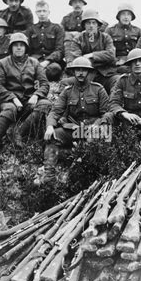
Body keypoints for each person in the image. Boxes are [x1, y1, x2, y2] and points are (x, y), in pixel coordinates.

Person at [34, 57, 110, 185]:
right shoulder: (67, 91)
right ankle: (49, 175)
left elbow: (107, 113)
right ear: (73, 72)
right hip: (74, 130)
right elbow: (55, 111)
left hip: (93, 129)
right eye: (77, 70)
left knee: (98, 141)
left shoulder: (98, 89)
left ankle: (93, 178)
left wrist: (98, 125)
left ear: (89, 72)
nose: (80, 73)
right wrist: (50, 126)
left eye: (84, 70)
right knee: (54, 136)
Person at [0, 33, 51, 163]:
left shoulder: (34, 63)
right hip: (9, 101)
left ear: (26, 48)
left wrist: (36, 95)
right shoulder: (3, 63)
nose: (19, 48)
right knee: (9, 109)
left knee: (45, 104)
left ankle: (19, 133)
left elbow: (44, 84)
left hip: (28, 100)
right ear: (11, 48)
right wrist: (12, 98)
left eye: (21, 45)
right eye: (15, 45)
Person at [65, 8, 119, 93]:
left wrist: (92, 55)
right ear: (84, 25)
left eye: (94, 23)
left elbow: (111, 55)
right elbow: (78, 59)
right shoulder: (78, 38)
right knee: (65, 83)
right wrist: (101, 58)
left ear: (98, 25)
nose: (91, 25)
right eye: (88, 23)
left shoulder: (106, 38)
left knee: (117, 80)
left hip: (105, 74)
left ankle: (112, 103)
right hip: (86, 76)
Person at [25, 0, 65, 81]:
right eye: (39, 11)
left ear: (48, 12)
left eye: (44, 11)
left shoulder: (57, 28)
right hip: (35, 60)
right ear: (36, 13)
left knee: (55, 69)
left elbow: (59, 50)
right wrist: (33, 61)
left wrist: (47, 61)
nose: (42, 14)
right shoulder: (31, 29)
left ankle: (39, 76)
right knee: (27, 69)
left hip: (51, 61)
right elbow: (27, 49)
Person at [105, 3, 141, 73]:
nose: (126, 17)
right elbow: (106, 50)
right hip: (116, 64)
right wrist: (115, 61)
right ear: (119, 16)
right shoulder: (110, 30)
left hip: (133, 62)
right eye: (123, 14)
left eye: (128, 14)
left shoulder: (137, 31)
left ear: (132, 17)